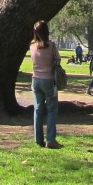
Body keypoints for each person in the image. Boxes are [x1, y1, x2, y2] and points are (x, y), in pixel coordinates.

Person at [30, 20, 61, 148]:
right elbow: (57, 61)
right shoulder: (51, 46)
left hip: (35, 79)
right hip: (48, 79)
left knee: (38, 109)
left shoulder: (32, 46)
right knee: (52, 109)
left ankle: (38, 139)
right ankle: (50, 139)